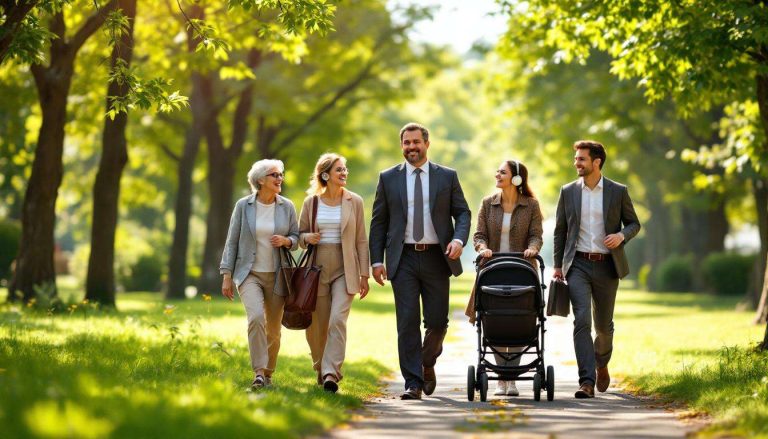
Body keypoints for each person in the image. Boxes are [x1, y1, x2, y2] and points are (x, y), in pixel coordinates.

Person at [369, 122, 471, 400]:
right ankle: (412, 382)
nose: (411, 147)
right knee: (407, 322)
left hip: (438, 257)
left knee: (437, 322)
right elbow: (379, 222)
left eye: (416, 142)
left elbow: (462, 213)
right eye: (406, 143)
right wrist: (376, 261)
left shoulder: (446, 176)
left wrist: (459, 240)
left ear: (427, 144)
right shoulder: (388, 177)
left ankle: (426, 361)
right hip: (403, 259)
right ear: (401, 145)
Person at [553, 140, 641, 398]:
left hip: (607, 266)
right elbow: (560, 230)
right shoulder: (568, 191)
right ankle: (586, 381)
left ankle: (601, 362)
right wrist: (558, 265)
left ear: (596, 162)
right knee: (581, 320)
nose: (576, 163)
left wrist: (622, 236)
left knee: (603, 327)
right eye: (576, 158)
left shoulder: (617, 191)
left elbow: (634, 223)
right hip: (577, 264)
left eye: (581, 159)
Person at [464, 159, 543, 397]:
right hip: (493, 269)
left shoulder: (531, 205)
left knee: (520, 320)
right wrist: (482, 248)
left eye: (502, 172)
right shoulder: (488, 204)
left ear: (516, 178)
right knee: (495, 319)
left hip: (522, 270)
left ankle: (512, 376)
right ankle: (501, 378)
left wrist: (533, 248)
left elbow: (536, 235)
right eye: (497, 171)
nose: (497, 175)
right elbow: (478, 235)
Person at [220, 159, 299, 389]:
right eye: (274, 175)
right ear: (261, 180)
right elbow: (232, 240)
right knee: (255, 318)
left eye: (280, 174)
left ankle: (269, 373)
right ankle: (258, 373)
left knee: (273, 329)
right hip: (249, 274)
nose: (279, 178)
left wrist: (286, 240)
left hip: (277, 275)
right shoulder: (243, 206)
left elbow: (296, 238)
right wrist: (226, 273)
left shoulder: (287, 206)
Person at [299, 153, 371, 393]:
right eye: (339, 170)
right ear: (325, 174)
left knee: (337, 320)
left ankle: (331, 373)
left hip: (345, 267)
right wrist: (308, 237)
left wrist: (364, 274)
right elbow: (298, 237)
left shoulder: (355, 201)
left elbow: (361, 240)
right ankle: (320, 367)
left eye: (345, 169)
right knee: (317, 325)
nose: (344, 173)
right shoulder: (311, 203)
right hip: (316, 269)